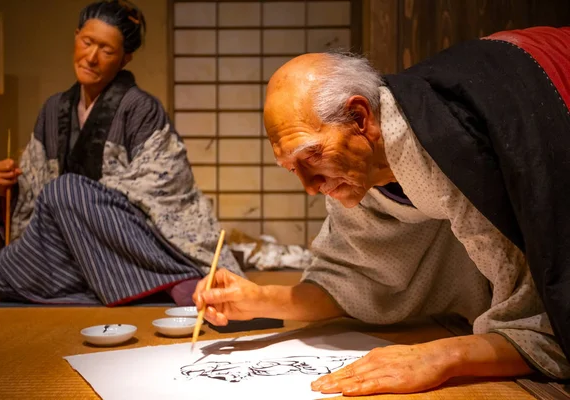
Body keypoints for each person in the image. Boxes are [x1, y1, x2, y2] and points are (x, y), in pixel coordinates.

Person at [193, 26, 570, 396]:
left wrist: (443, 356)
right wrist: (262, 299)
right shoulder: (362, 172)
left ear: (360, 118)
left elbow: (544, 321)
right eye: (294, 169)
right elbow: (358, 278)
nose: (309, 186)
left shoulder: (454, 144)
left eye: (312, 156)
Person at [0, 0, 243, 306]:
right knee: (2, 272)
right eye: (86, 42)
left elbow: (165, 189)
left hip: (124, 237)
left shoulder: (141, 108)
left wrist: (84, 198)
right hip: (70, 242)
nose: (91, 57)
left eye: (107, 51)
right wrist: (10, 187)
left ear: (125, 59)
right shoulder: (53, 110)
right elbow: (35, 195)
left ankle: (162, 278)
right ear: (75, 37)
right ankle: (134, 284)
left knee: (65, 190)